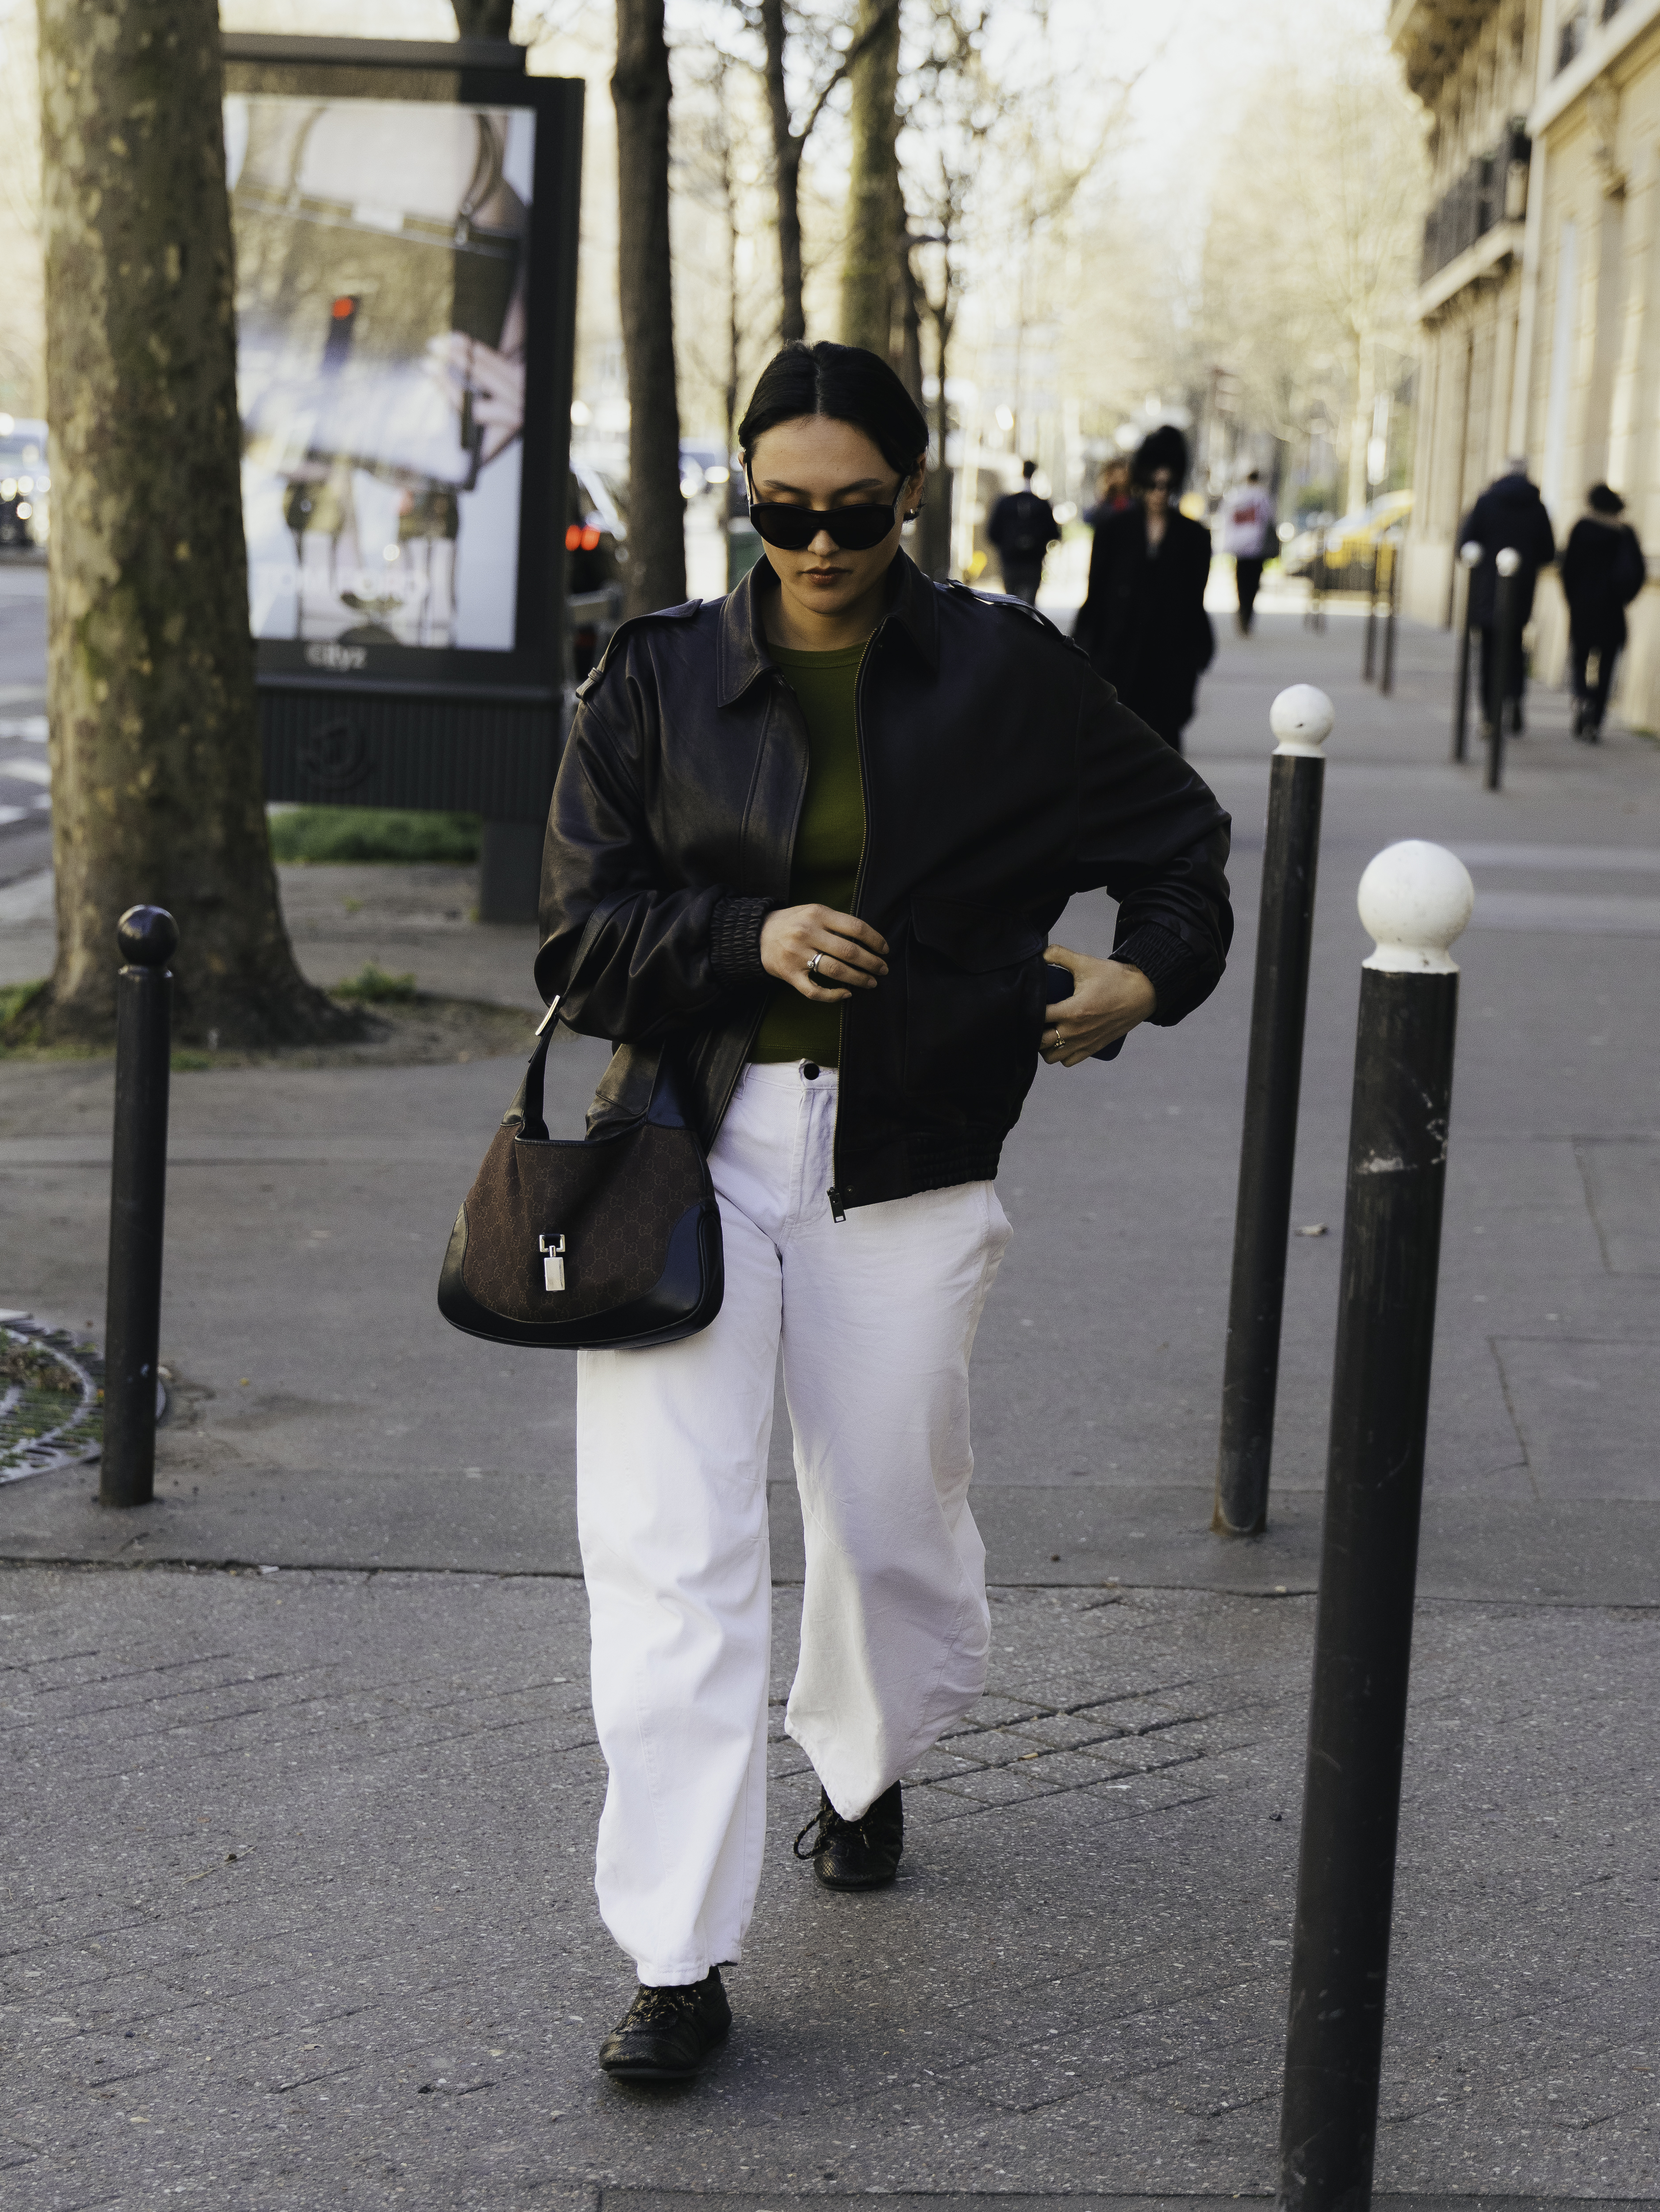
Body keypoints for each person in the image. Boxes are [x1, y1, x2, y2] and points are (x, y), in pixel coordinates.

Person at [535, 341, 1233, 2083]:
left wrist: (1138, 979)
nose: (819, 545)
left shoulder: (1006, 674)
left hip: (909, 1148)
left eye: (854, 512)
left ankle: (863, 1757)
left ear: (909, 494)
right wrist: (743, 935)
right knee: (671, 1551)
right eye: (781, 512)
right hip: (681, 1148)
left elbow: (1179, 844)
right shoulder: (656, 676)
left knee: (887, 1517)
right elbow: (577, 936)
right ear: (743, 497)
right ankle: (677, 1954)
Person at [1072, 424, 1215, 754]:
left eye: (1168, 485)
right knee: (1113, 748)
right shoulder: (1113, 530)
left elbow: (1195, 601)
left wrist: (1194, 657)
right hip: (1118, 655)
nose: (1159, 493)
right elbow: (1096, 594)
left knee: (1164, 751)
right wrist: (1085, 650)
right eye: (1152, 484)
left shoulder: (1194, 537)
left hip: (1169, 661)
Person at [1458, 457, 1556, 734]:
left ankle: (1490, 716)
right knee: (1514, 648)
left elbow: (1465, 545)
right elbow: (1548, 552)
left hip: (1487, 592)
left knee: (1489, 653)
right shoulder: (1537, 507)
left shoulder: (1486, 502)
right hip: (1521, 593)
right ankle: (1514, 701)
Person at [1560, 483, 1646, 741]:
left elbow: (1568, 569)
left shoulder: (1581, 529)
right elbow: (1638, 572)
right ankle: (1595, 721)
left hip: (1583, 606)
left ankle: (1582, 696)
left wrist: (1573, 600)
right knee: (1607, 665)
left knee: (1580, 658)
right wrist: (1624, 598)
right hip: (1612, 607)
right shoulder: (1624, 532)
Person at [986, 459, 1060, 602]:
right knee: (1027, 605)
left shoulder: (1005, 504)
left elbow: (992, 533)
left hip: (1011, 562)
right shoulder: (1042, 505)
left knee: (1011, 603)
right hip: (1033, 562)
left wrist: (1006, 547)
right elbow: (1054, 533)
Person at [1222, 469, 1277, 634]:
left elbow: (1227, 518)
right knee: (1253, 584)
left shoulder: (1236, 496)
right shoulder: (1263, 496)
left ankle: (1242, 610)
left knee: (1241, 583)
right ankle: (1247, 615)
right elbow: (1270, 518)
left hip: (1240, 549)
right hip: (1257, 549)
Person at [1083, 456, 1133, 530]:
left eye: (1121, 476)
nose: (1118, 481)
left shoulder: (1134, 505)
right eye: (1114, 476)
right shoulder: (1103, 508)